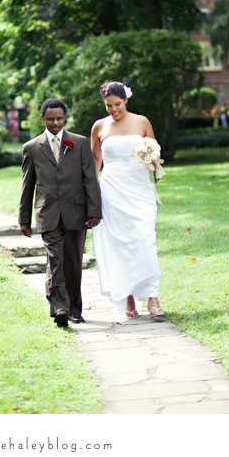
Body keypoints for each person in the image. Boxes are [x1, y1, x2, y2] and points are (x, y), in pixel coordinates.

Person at [19, 99, 102, 327]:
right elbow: (27, 186)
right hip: (48, 213)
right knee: (55, 259)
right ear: (42, 119)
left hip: (76, 211)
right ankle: (59, 308)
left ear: (65, 118)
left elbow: (90, 179)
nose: (55, 123)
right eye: (50, 119)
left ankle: (75, 309)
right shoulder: (32, 148)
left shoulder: (80, 143)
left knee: (73, 263)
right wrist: (24, 219)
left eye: (59, 119)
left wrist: (94, 211)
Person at [90, 80, 165, 318]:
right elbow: (95, 161)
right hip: (112, 191)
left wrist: (152, 160)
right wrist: (91, 192)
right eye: (108, 105)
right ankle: (129, 299)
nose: (113, 110)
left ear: (126, 100)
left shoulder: (142, 121)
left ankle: (153, 298)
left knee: (145, 239)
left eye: (117, 104)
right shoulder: (99, 127)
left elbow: (155, 151)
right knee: (120, 244)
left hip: (140, 190)